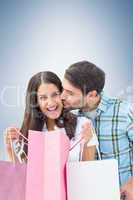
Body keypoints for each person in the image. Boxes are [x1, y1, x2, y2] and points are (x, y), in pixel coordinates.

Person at [61, 61, 133, 200]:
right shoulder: (71, 117)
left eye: (69, 93)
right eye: (63, 89)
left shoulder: (124, 112)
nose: (62, 96)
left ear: (92, 95)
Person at [5, 71, 97, 163]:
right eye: (43, 98)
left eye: (55, 95)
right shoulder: (30, 133)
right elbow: (23, 174)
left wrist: (86, 143)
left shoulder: (82, 125)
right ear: (36, 102)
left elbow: (87, 170)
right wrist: (10, 148)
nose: (51, 103)